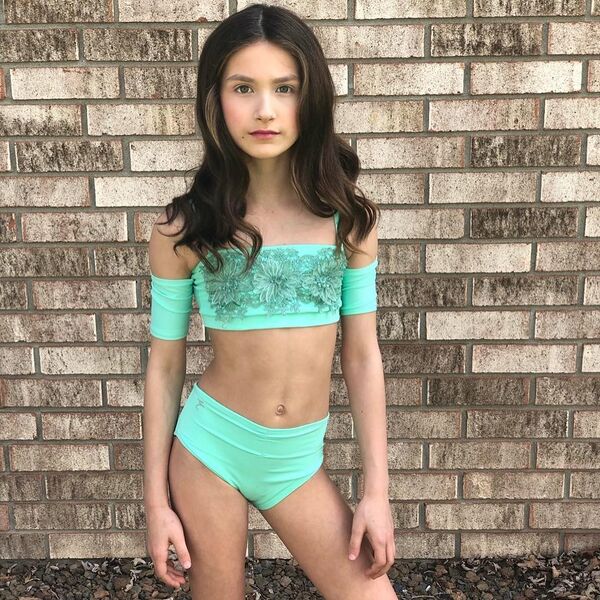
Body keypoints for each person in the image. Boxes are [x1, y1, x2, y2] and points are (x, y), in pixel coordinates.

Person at [142, 3, 397, 599]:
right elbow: (165, 366)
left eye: (285, 88)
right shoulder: (184, 228)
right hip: (210, 451)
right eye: (243, 88)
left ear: (312, 98)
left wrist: (377, 492)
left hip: (295, 462)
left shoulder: (349, 222)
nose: (265, 109)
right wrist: (156, 502)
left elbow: (362, 356)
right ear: (215, 100)